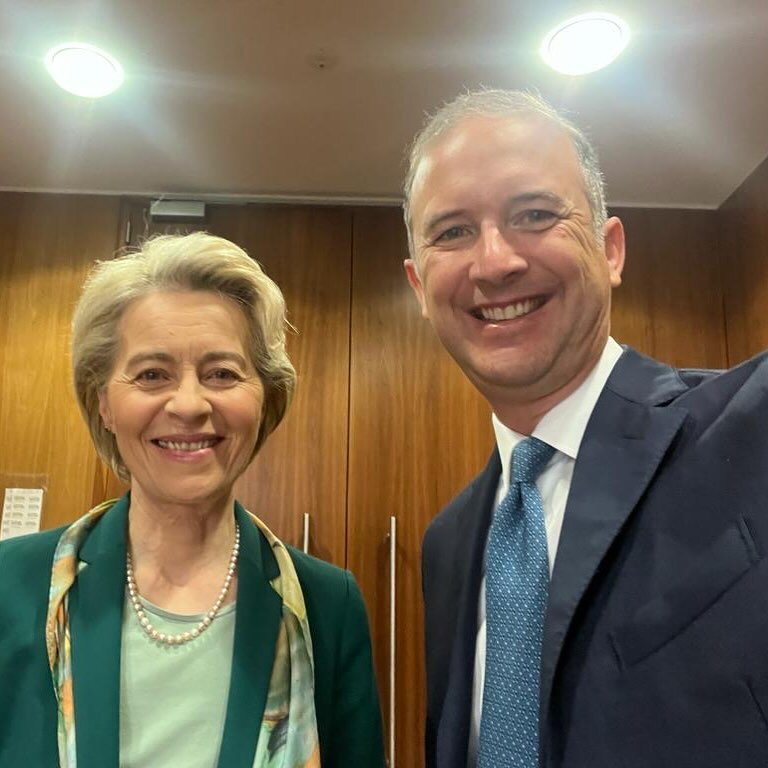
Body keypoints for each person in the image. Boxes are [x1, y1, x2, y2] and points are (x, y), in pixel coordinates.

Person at [402, 89, 768, 768]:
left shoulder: (750, 431)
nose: (495, 261)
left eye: (534, 214)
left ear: (611, 250)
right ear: (420, 287)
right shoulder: (447, 543)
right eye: (452, 231)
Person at [0, 233, 385, 767]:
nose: (188, 404)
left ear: (266, 398)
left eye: (222, 374)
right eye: (152, 374)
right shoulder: (12, 587)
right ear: (103, 402)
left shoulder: (328, 604)